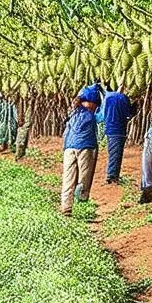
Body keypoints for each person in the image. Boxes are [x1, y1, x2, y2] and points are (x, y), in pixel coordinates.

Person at [60, 85, 101, 216]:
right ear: (90, 103)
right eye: (95, 104)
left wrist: (65, 148)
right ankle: (82, 199)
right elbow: (104, 115)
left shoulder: (73, 113)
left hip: (69, 148)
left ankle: (66, 207)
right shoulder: (91, 116)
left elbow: (66, 132)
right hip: (85, 148)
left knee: (68, 177)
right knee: (84, 177)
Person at [101, 81, 139, 184]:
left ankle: (113, 176)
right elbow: (128, 114)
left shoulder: (107, 98)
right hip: (118, 130)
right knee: (116, 154)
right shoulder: (122, 98)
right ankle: (112, 177)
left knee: (113, 153)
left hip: (110, 129)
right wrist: (135, 106)